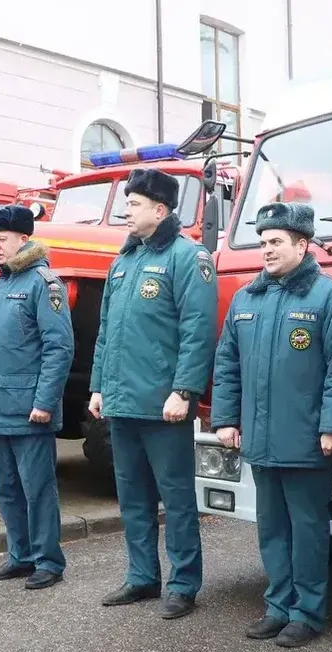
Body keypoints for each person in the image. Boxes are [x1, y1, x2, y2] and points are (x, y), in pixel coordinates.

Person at [211, 201, 332, 647]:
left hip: (306, 440)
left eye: (276, 242)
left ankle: (308, 613)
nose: (267, 250)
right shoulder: (246, 298)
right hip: (260, 439)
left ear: (303, 245)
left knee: (308, 531)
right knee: (272, 529)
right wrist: (225, 418)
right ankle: (278, 605)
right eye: (263, 242)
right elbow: (227, 364)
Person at [89, 167, 218, 619]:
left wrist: (184, 390)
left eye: (134, 204)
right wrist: (98, 386)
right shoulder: (122, 262)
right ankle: (142, 577)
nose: (126, 211)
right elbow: (106, 331)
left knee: (177, 498)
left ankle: (184, 584)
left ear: (160, 210)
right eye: (127, 204)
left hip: (164, 406)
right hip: (123, 404)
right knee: (134, 497)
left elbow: (198, 330)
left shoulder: (188, 257)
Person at [0, 205, 74, 589]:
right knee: (7, 487)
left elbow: (58, 347)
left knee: (37, 488)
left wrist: (45, 402)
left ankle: (48, 561)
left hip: (30, 408)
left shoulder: (43, 283)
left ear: (23, 239)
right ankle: (20, 555)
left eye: (1, 239)